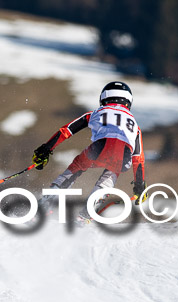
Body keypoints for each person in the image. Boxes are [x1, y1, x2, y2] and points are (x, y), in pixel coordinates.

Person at [32, 81, 147, 220]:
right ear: (128, 101)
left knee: (77, 166)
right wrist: (139, 185)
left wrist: (46, 149)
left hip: (99, 148)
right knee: (111, 174)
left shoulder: (96, 112)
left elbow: (66, 130)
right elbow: (138, 159)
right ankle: (86, 215)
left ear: (104, 98)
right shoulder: (135, 124)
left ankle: (45, 205)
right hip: (124, 155)